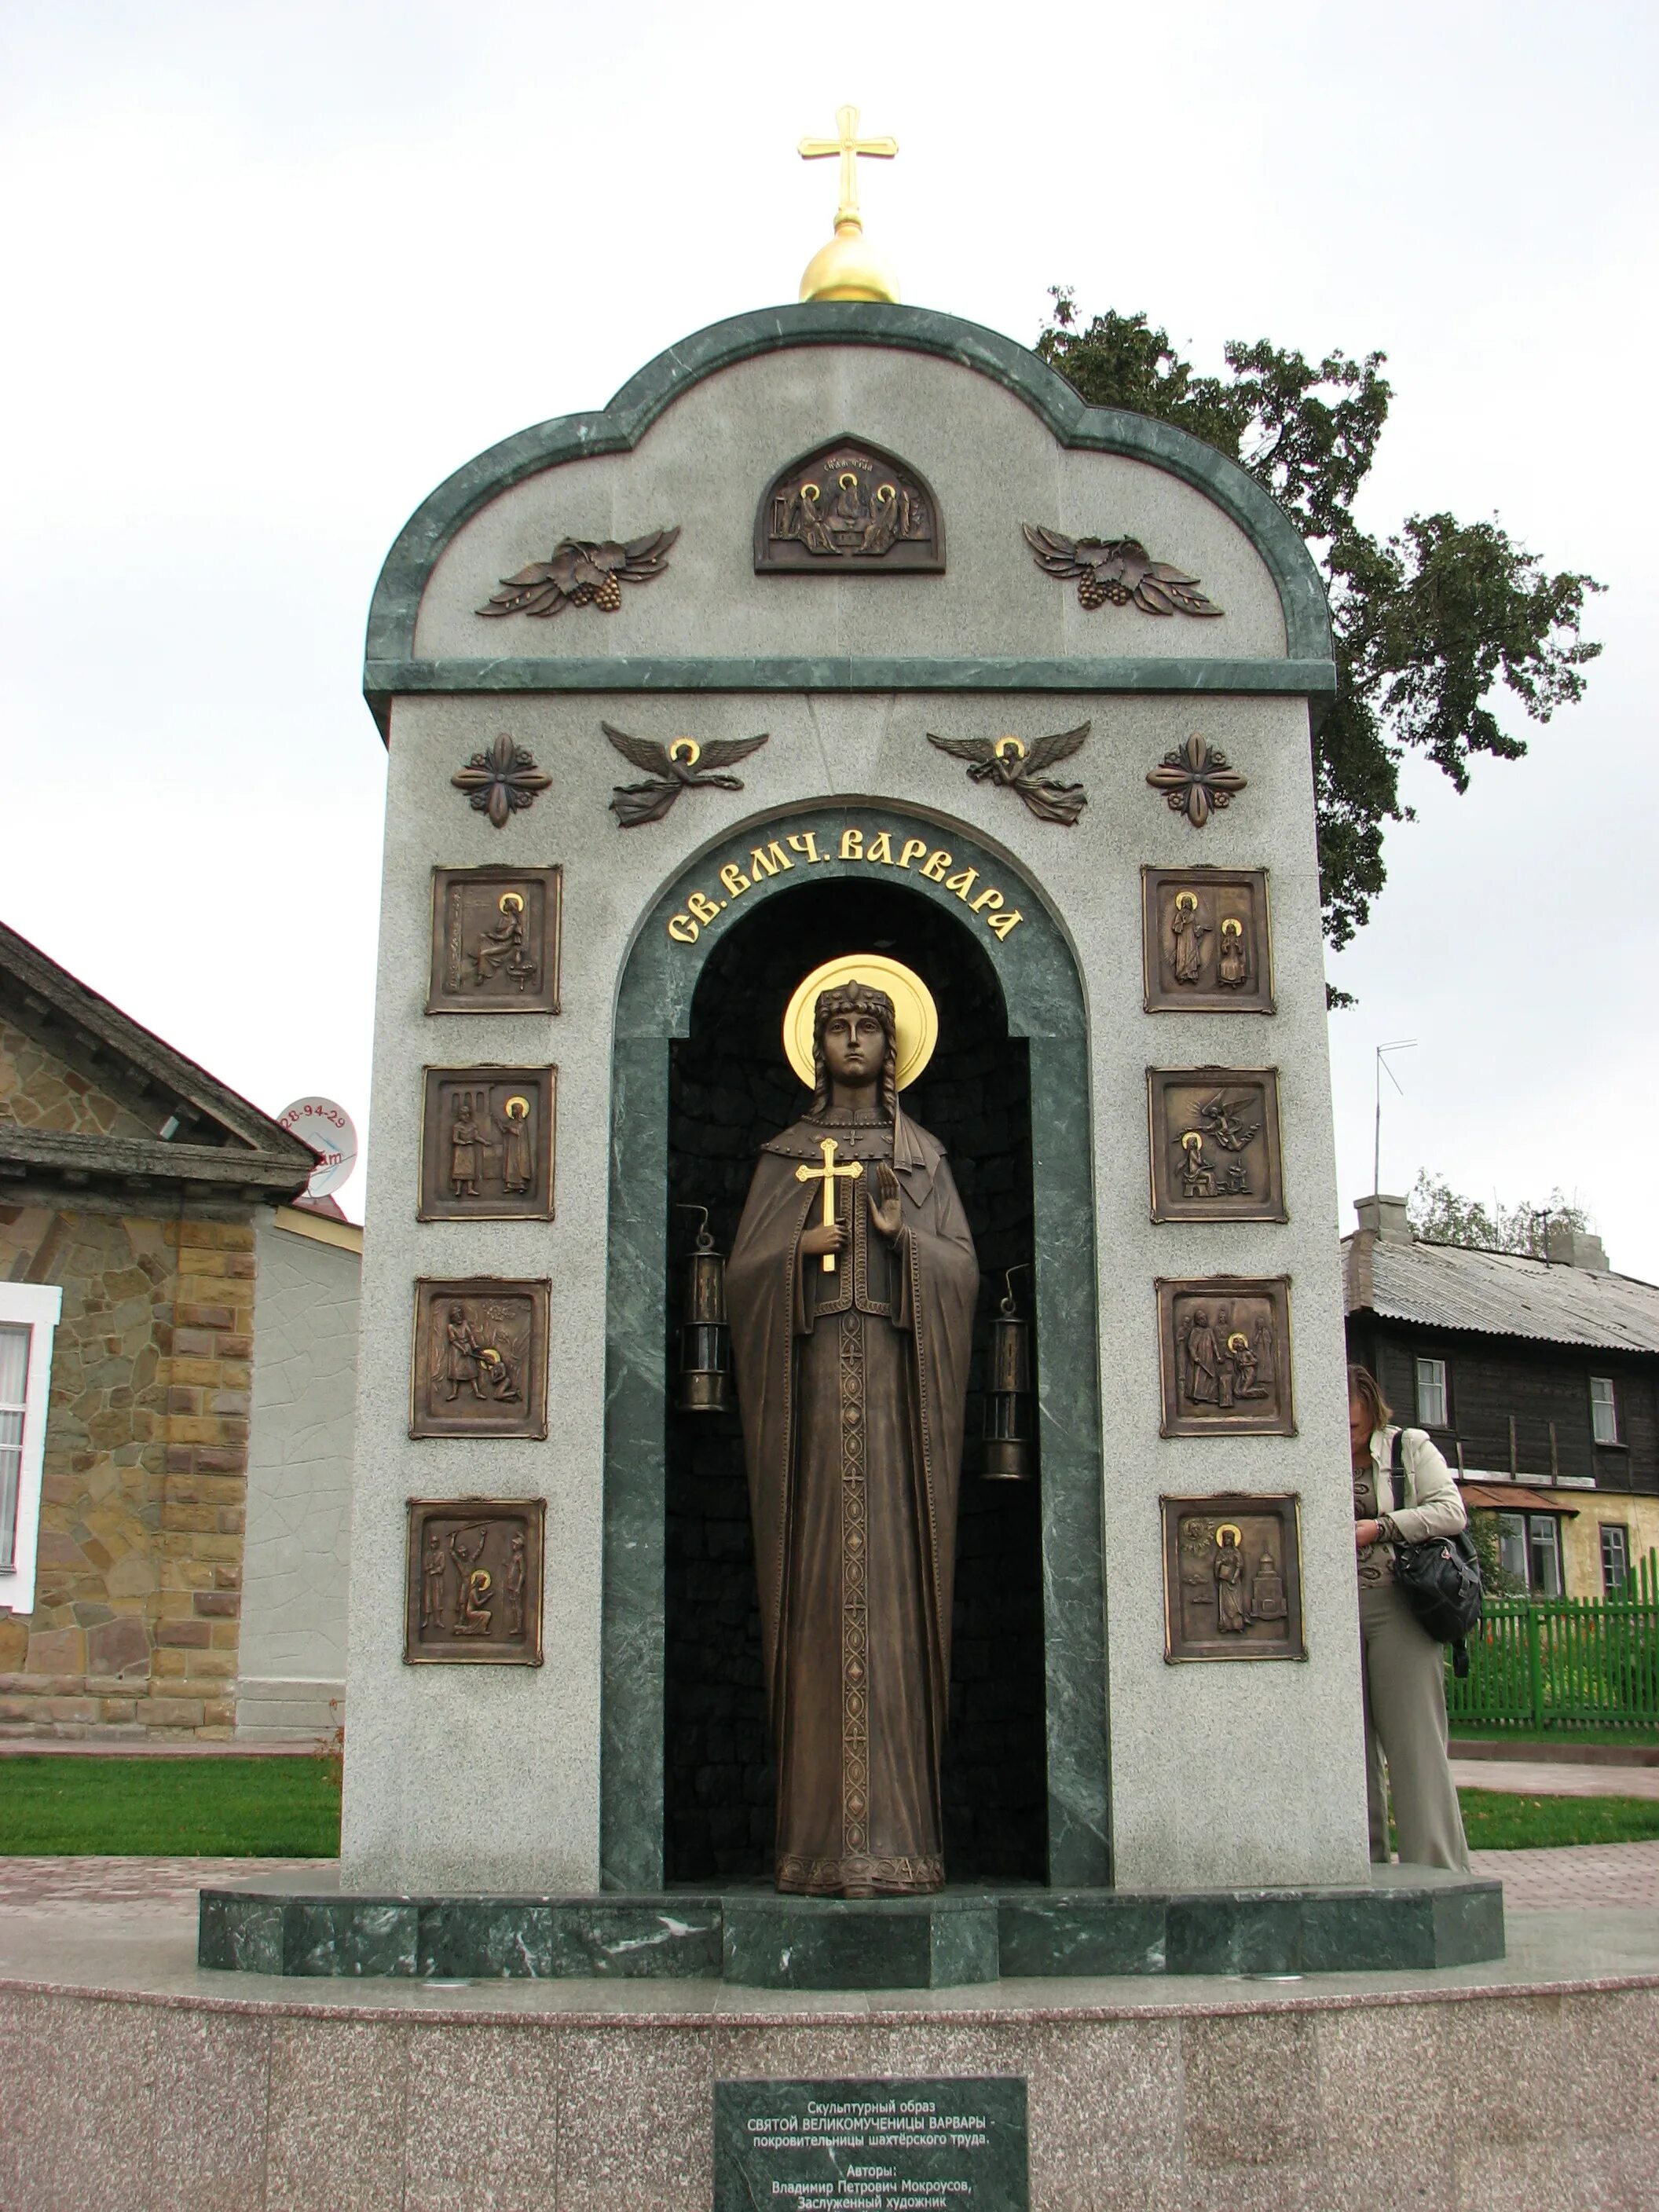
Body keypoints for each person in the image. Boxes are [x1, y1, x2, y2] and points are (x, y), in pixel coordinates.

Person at [725, 979, 977, 1897]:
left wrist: (902, 1238)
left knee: (896, 1598)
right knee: (823, 1596)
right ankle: (814, 1844)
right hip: (814, 1420)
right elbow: (740, 1272)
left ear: (896, 1042)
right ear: (818, 1043)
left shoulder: (923, 1157)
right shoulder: (786, 1156)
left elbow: (963, 1268)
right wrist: (796, 1249)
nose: (855, 1041)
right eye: (839, 1027)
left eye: (871, 1026)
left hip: (899, 1409)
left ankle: (905, 1843)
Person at [1349, 1362, 1470, 1870]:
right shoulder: (1306, 1451)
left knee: (1415, 1745)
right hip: (1335, 1614)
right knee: (1350, 1751)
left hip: (1398, 1604)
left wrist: (1381, 1527)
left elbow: (1451, 1511)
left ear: (1372, 1410)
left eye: (1353, 1425)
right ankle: (1362, 1866)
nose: (1345, 1434)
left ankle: (1437, 1869)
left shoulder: (1409, 1448)